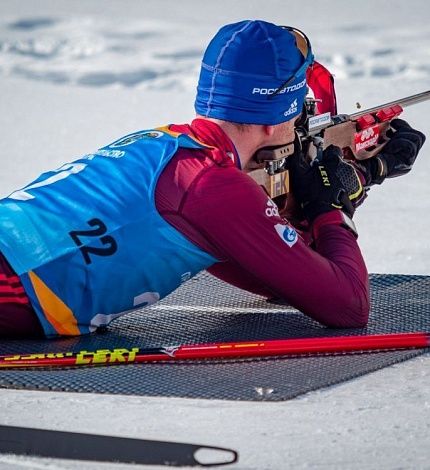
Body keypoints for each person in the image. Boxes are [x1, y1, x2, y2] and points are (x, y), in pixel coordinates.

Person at [0, 20, 425, 338]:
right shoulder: (214, 189)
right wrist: (333, 208)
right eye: (302, 107)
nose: (303, 119)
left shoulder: (164, 143)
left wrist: (361, 175)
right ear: (282, 110)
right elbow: (348, 305)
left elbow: (281, 279)